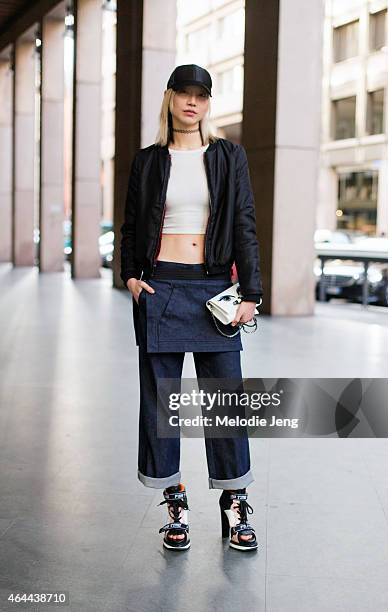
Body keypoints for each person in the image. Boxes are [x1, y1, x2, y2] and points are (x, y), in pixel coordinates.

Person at [120, 64, 263, 551]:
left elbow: (244, 221)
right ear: (170, 98)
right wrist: (131, 277)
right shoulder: (149, 161)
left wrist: (252, 293)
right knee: (161, 405)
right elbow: (131, 225)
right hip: (159, 288)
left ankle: (234, 501)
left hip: (212, 290)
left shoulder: (228, 156)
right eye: (184, 94)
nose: (192, 103)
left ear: (208, 104)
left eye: (201, 96)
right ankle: (174, 499)